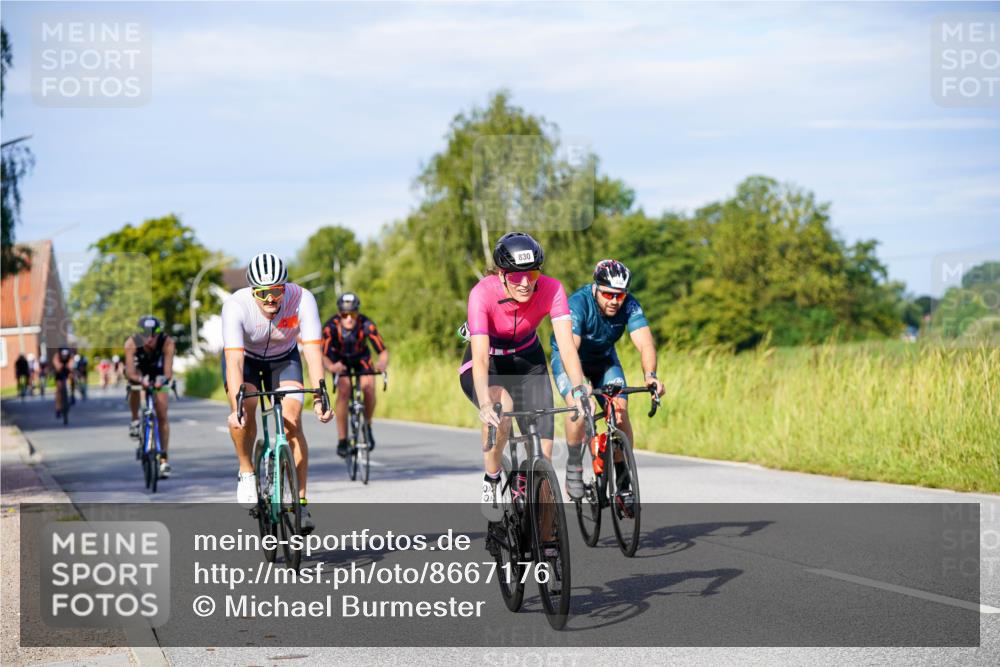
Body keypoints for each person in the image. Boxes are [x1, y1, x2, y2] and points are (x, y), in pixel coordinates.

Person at [459, 232, 590, 519]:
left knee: (541, 457)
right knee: (500, 406)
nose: (525, 282)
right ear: (501, 274)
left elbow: (567, 346)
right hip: (488, 364)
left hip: (528, 363)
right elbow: (480, 357)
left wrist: (579, 389)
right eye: (516, 276)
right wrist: (484, 403)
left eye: (531, 273)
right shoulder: (482, 293)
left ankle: (546, 547)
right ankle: (492, 479)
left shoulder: (553, 289)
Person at [222, 252, 332, 532]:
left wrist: (321, 395)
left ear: (285, 287)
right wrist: (236, 406)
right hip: (246, 360)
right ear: (252, 290)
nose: (271, 299)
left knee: (293, 423)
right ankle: (247, 470)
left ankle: (300, 504)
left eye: (276, 291)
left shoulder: (302, 298)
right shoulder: (236, 306)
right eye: (262, 293)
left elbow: (312, 349)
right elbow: (234, 360)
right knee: (245, 411)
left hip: (284, 359)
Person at [550, 259, 666, 502]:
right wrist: (580, 385)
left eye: (620, 296)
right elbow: (571, 350)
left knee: (620, 413)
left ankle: (623, 481)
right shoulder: (578, 304)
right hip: (570, 359)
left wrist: (650, 376)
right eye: (608, 294)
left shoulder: (630, 305)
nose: (614, 301)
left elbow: (645, 343)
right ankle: (574, 464)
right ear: (596, 288)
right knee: (578, 409)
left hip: (604, 360)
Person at [321, 292, 389, 457]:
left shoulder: (366, 324)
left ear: (357, 313)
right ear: (339, 314)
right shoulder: (330, 327)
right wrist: (331, 366)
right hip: (339, 360)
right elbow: (321, 354)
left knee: (368, 387)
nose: (349, 318)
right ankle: (343, 439)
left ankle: (368, 425)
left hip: (361, 358)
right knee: (344, 391)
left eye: (353, 313)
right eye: (345, 314)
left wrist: (381, 363)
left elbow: (383, 350)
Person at [125, 316, 176, 478]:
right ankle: (135, 420)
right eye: (145, 336)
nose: (149, 340)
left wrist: (162, 381)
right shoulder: (131, 343)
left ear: (159, 335)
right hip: (139, 373)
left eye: (153, 336)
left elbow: (168, 372)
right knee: (133, 387)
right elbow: (130, 372)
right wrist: (140, 380)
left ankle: (163, 458)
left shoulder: (167, 342)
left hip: (158, 374)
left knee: (162, 413)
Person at [51, 347, 73, 419]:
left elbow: (71, 364)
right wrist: (59, 365)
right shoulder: (57, 356)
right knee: (58, 390)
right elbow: (56, 364)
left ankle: (72, 394)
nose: (64, 356)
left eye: (65, 355)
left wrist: (69, 366)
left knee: (72, 378)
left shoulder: (70, 356)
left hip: (67, 371)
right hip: (59, 373)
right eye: (63, 355)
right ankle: (58, 409)